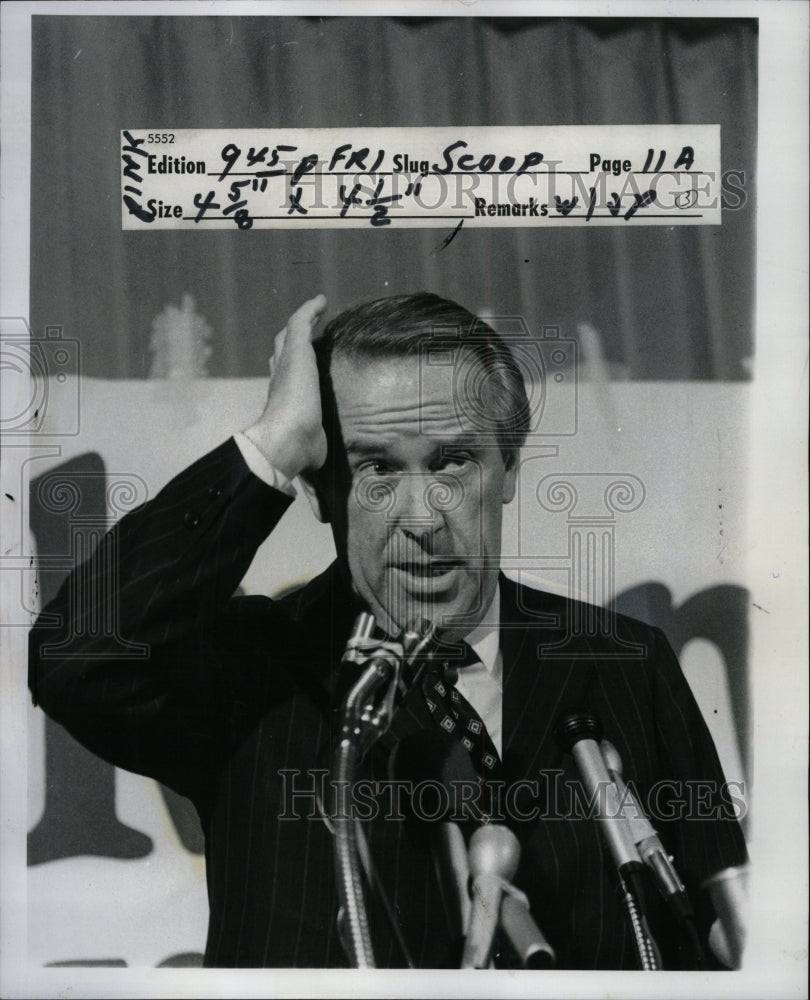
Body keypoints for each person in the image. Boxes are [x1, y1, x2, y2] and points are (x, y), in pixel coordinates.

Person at [28, 291, 748, 970]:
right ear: (319, 488)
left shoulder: (626, 661)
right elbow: (77, 655)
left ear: (510, 468)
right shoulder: (254, 669)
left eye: (453, 461)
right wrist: (274, 445)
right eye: (376, 469)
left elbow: (720, 931)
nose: (423, 518)